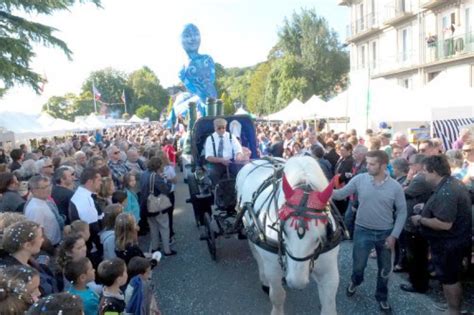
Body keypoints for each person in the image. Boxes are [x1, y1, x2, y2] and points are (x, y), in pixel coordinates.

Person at [332, 150, 407, 311]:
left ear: (383, 165)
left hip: (385, 233)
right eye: (367, 162)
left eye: (372, 163)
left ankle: (382, 296)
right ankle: (355, 280)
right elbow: (339, 194)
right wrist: (321, 192)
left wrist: (394, 235)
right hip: (362, 231)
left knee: (385, 269)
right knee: (359, 266)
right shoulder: (360, 179)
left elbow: (402, 212)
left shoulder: (395, 187)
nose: (367, 166)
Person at [411, 155, 472, 314]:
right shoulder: (451, 183)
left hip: (449, 244)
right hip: (451, 243)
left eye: (425, 171)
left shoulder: (448, 190)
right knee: (449, 278)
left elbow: (444, 224)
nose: (422, 175)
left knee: (450, 279)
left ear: (435, 172)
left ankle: (453, 311)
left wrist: (421, 219)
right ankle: (452, 306)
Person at [139, 157, 175, 256]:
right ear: (159, 166)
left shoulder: (144, 174)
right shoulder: (156, 176)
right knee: (164, 226)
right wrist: (166, 180)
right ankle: (167, 250)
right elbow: (166, 189)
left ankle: (155, 247)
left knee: (153, 226)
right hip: (157, 204)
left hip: (146, 204)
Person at [69, 168, 103, 265]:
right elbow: (93, 228)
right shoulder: (84, 200)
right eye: (98, 180)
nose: (101, 183)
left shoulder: (84, 196)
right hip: (90, 250)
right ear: (90, 182)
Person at [179, 23, 217, 103]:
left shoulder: (207, 59)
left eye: (196, 34)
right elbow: (192, 89)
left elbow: (211, 82)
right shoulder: (183, 69)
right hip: (197, 104)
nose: (193, 38)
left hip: (210, 103)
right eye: (187, 35)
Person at [24, 175, 63, 247]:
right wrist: (52, 250)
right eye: (44, 187)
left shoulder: (44, 201)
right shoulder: (36, 209)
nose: (49, 189)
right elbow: (38, 235)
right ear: (34, 191)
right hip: (50, 247)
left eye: (49, 185)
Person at [204, 118, 244, 185]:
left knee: (241, 172)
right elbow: (208, 157)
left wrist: (238, 155)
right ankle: (217, 190)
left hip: (231, 163)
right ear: (215, 128)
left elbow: (238, 149)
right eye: (219, 128)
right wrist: (222, 160)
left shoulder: (231, 136)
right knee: (213, 173)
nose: (222, 130)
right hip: (216, 164)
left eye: (223, 128)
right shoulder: (210, 139)